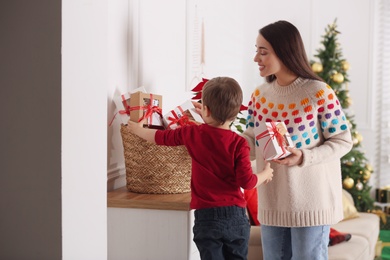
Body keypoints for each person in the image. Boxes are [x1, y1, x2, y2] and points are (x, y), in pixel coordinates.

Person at [240, 20, 353, 259]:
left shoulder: (318, 92)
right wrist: (216, 136)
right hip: (272, 204)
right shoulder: (260, 95)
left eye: (263, 52)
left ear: (284, 51)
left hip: (312, 205)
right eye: (256, 50)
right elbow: (250, 141)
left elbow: (343, 140)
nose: (256, 58)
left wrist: (305, 156)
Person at [127, 76, 274, 260]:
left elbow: (161, 137)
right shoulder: (239, 143)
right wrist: (265, 174)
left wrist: (137, 129)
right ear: (236, 113)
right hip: (235, 216)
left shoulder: (192, 134)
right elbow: (247, 181)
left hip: (207, 217)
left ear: (205, 109)